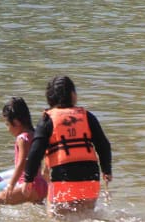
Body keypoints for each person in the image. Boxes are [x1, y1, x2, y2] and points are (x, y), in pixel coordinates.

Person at [22, 76, 112, 216]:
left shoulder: (47, 120)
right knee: (86, 215)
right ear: (72, 95)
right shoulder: (87, 116)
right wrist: (107, 170)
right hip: (90, 178)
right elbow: (104, 145)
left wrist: (28, 179)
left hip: (63, 178)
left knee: (55, 216)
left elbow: (35, 152)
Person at [0, 96, 48, 207]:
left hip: (30, 185)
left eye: (7, 124)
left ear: (16, 122)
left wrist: (11, 185)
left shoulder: (22, 138)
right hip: (42, 185)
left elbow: (21, 163)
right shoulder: (36, 134)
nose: (8, 129)